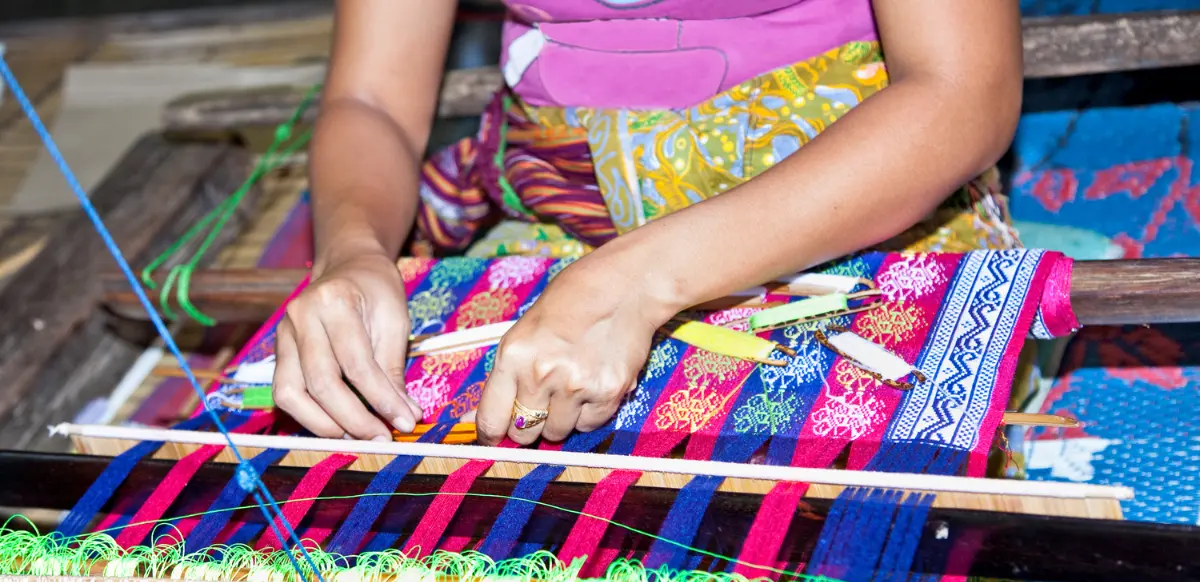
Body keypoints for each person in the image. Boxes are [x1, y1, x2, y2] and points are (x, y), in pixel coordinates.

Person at [273, 0, 1023, 449]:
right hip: (562, 205)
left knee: (859, 521)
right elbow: (371, 101)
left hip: (849, 206)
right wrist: (353, 249)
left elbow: (960, 98)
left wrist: (643, 278)